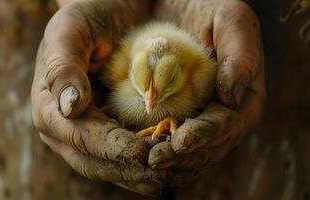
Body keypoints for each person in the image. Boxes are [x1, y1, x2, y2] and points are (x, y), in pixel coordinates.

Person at [31, 0, 265, 197]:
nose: (150, 102)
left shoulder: (198, 73)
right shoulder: (124, 67)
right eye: (146, 91)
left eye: (169, 82)